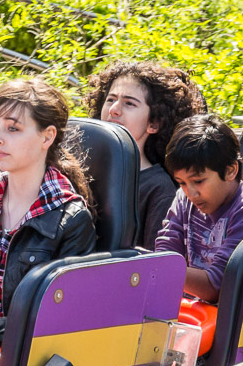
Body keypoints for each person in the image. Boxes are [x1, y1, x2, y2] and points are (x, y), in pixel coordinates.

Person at [0, 79, 98, 347]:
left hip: (16, 358)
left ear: (47, 136)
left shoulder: (72, 220)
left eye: (13, 128)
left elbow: (56, 318)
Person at [154, 114, 243, 304]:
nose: (191, 193)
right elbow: (167, 250)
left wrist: (158, 269)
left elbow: (217, 286)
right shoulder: (184, 198)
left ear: (231, 170)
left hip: (233, 324)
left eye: (198, 181)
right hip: (193, 316)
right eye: (182, 183)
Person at [85, 61, 207, 250]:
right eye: (110, 99)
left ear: (154, 124)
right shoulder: (81, 170)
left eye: (129, 103)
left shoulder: (159, 189)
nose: (114, 109)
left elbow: (154, 265)